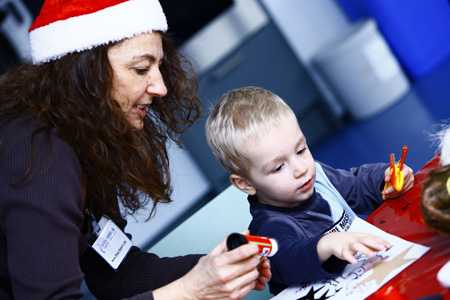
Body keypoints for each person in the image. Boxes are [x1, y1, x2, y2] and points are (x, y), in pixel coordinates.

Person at [0, 1, 270, 299]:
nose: (161, 87)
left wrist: (210, 267)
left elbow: (115, 271)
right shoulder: (41, 156)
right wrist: (191, 290)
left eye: (158, 66)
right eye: (141, 69)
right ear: (84, 72)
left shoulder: (82, 136)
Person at [205, 86, 414, 295]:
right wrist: (325, 244)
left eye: (301, 150)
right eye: (279, 167)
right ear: (246, 184)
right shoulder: (269, 225)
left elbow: (357, 185)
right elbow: (285, 260)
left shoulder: (318, 178)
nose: (301, 168)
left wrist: (385, 180)